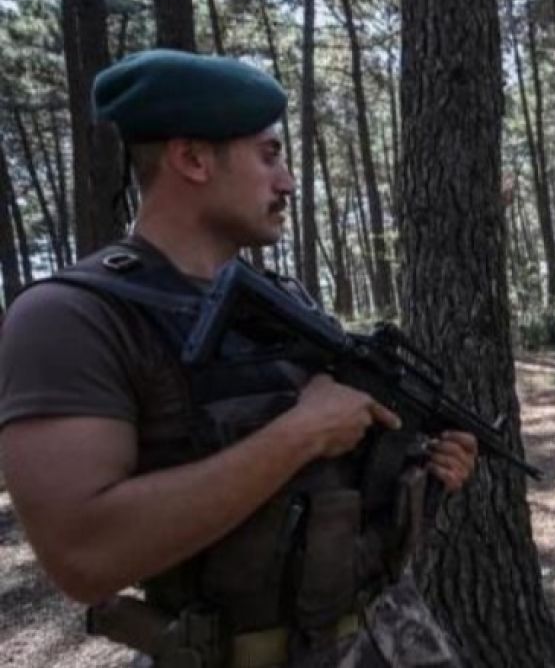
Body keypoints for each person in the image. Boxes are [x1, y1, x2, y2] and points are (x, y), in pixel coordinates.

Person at [0, 50, 478, 667]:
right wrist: (299, 435)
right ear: (192, 159)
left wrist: (420, 468)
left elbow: (326, 490)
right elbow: (85, 558)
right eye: (269, 155)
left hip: (390, 636)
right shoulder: (71, 318)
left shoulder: (282, 302)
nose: (287, 182)